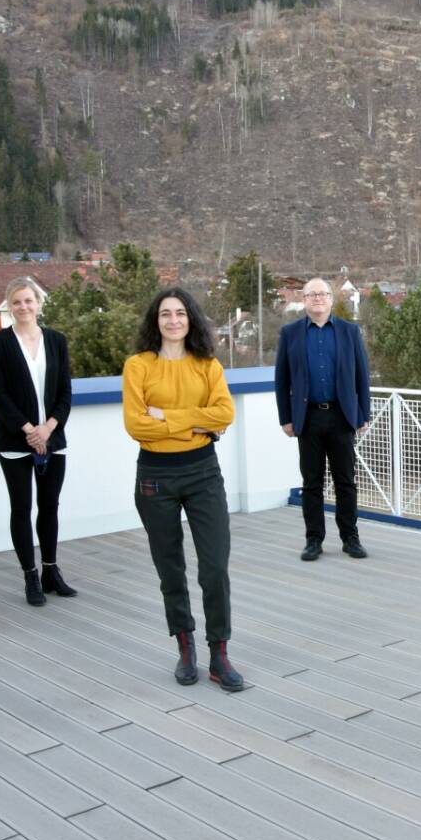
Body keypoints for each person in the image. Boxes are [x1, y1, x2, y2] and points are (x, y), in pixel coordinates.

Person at [123, 288, 243, 692]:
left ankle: (219, 655)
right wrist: (196, 421)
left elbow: (225, 413)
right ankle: (186, 648)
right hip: (156, 477)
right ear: (155, 321)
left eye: (180, 313)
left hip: (203, 473)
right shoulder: (138, 366)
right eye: (164, 314)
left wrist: (168, 417)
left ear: (191, 319)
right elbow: (136, 425)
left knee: (215, 567)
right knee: (170, 567)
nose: (173, 320)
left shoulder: (207, 365)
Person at [0, 276, 75, 606]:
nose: (24, 307)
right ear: (10, 307)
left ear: (39, 303)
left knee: (49, 506)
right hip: (14, 439)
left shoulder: (56, 340)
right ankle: (31, 577)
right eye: (17, 302)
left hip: (54, 437)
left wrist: (48, 429)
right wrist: (29, 430)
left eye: (29, 300)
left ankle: (51, 571)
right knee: (22, 508)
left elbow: (65, 393)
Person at [275, 278, 373, 561]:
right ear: (304, 300)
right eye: (311, 294)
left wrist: (362, 413)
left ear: (331, 299)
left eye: (322, 294)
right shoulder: (290, 333)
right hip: (308, 417)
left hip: (342, 417)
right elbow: (282, 380)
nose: (317, 298)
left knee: (346, 481)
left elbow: (361, 377)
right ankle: (313, 540)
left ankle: (350, 538)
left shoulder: (349, 331)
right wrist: (286, 418)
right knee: (311, 482)